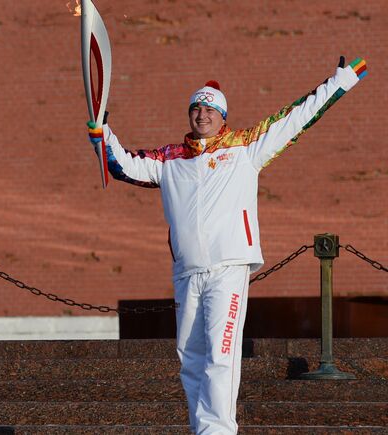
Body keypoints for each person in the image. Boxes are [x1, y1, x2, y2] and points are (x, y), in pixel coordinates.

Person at [88, 57, 367, 434]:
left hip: (229, 267)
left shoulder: (245, 149)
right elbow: (121, 165)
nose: (202, 115)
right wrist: (101, 130)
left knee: (221, 353)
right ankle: (200, 428)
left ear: (222, 117)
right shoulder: (169, 160)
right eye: (197, 108)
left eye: (210, 109)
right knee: (190, 358)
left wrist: (341, 80)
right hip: (188, 271)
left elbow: (296, 119)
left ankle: (217, 430)